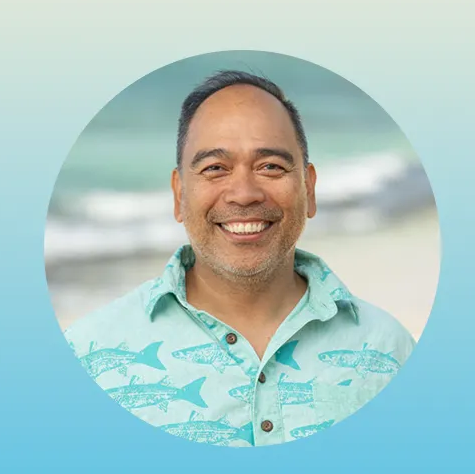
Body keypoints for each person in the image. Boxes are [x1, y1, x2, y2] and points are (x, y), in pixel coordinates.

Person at [64, 70, 415, 446]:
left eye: (271, 167)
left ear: (309, 188)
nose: (244, 194)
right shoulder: (86, 356)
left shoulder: (390, 351)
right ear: (179, 194)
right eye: (215, 168)